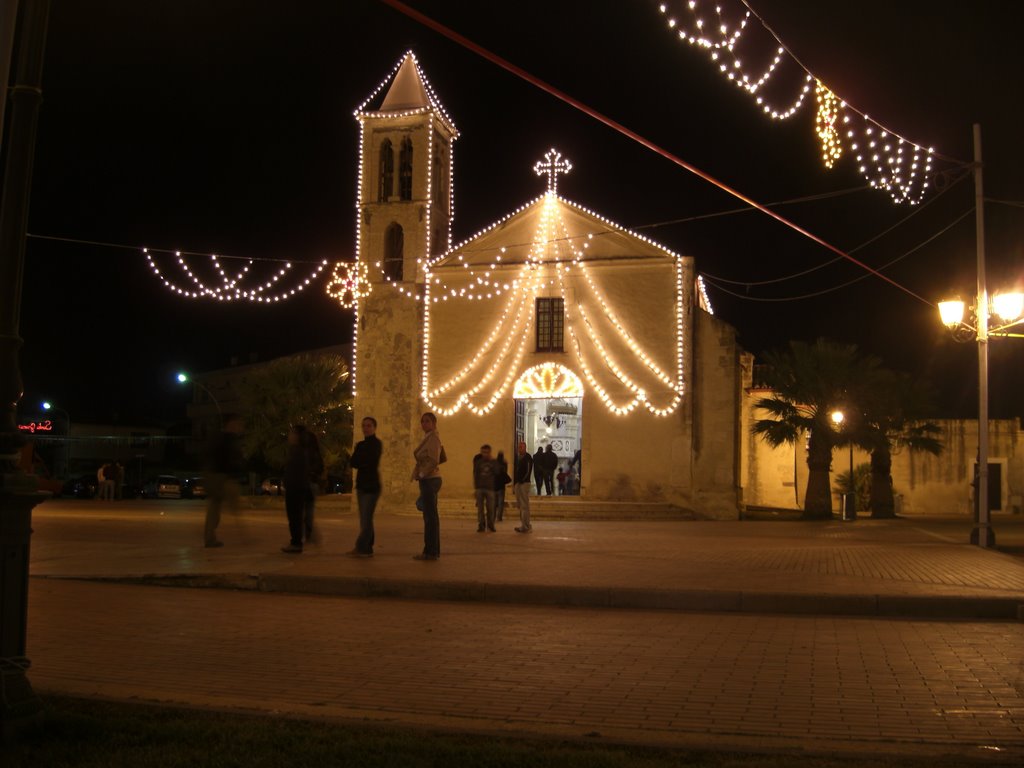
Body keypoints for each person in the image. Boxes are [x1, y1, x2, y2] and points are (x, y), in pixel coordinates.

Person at [204, 414, 244, 548]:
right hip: (221, 477)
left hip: (215, 475)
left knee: (215, 507)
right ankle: (243, 535)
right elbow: (231, 459)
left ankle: (210, 537)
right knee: (223, 507)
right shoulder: (228, 439)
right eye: (237, 425)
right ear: (231, 425)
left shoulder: (218, 438)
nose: (239, 428)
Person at [348, 416, 382, 557]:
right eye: (364, 426)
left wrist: (361, 459)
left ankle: (360, 547)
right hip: (361, 485)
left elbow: (371, 461)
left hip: (371, 486)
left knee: (366, 519)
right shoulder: (360, 445)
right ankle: (368, 548)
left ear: (374, 428)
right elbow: (353, 462)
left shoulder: (376, 444)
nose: (366, 428)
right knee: (365, 518)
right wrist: (362, 459)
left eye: (368, 425)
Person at [411, 412, 442, 560]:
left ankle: (431, 551)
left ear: (434, 423)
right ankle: (431, 549)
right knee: (429, 516)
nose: (424, 424)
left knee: (430, 517)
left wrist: (422, 474)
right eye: (422, 421)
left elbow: (434, 459)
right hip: (427, 479)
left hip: (430, 479)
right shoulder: (428, 437)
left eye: (427, 421)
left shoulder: (434, 438)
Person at [282, 424, 312, 553]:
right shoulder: (297, 450)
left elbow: (297, 472)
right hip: (295, 488)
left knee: (294, 517)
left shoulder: (298, 451)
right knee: (295, 517)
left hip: (295, 489)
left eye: (292, 433)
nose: (290, 436)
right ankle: (295, 542)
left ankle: (296, 543)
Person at [303, 429, 325, 545]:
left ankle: (310, 535)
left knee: (306, 512)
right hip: (311, 483)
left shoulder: (309, 453)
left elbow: (318, 469)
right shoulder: (314, 452)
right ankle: (310, 536)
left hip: (309, 484)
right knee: (307, 512)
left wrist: (309, 474)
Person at [472, 444, 499, 532]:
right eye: (483, 452)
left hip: (490, 488)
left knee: (491, 508)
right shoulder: (479, 462)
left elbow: (497, 472)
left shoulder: (494, 462)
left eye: (487, 452)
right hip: (480, 488)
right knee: (480, 509)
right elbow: (475, 474)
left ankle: (491, 524)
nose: (485, 454)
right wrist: (476, 488)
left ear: (490, 452)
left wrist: (493, 463)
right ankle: (481, 525)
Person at [513, 440, 533, 533]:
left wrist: (522, 480)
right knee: (520, 505)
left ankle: (526, 526)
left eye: (521, 447)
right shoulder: (517, 458)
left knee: (525, 505)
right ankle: (523, 524)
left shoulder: (528, 457)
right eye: (519, 447)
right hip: (518, 483)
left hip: (524, 484)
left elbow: (528, 471)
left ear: (525, 448)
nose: (520, 448)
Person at [494, 449, 509, 522]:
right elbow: (505, 473)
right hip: (501, 486)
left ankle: (493, 516)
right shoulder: (504, 464)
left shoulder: (494, 463)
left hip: (494, 485)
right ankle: (499, 517)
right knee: (500, 503)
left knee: (494, 502)